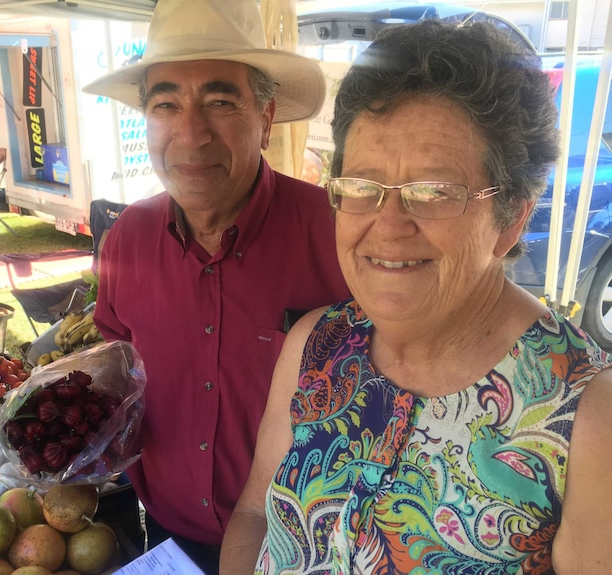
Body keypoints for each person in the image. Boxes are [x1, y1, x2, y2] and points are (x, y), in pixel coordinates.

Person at [220, 19, 612, 574]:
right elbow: (257, 513)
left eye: (434, 191)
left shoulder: (590, 419)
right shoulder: (316, 344)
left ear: (512, 216)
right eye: (361, 186)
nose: (389, 226)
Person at [81, 0, 350, 572]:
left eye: (221, 101)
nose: (191, 134)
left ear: (268, 116)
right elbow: (114, 366)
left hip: (305, 551)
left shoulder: (338, 233)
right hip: (168, 543)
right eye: (166, 104)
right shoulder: (128, 236)